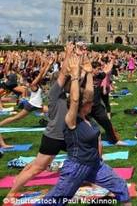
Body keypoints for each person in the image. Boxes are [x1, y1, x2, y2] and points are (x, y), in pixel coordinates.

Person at [43, 50, 131, 205]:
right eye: (89, 102)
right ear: (83, 105)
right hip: (76, 167)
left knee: (121, 187)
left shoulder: (86, 118)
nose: (92, 102)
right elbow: (76, 99)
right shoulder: (72, 119)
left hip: (95, 165)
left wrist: (89, 73)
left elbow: (89, 93)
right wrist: (76, 77)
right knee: (54, 201)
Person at [5, 46, 76, 200]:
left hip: (63, 135)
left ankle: (17, 182)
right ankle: (12, 192)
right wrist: (68, 55)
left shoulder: (64, 94)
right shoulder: (56, 92)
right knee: (38, 167)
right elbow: (64, 74)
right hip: (55, 136)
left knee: (38, 165)